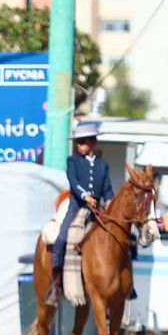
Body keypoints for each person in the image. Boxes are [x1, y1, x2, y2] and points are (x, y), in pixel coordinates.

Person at [49, 121, 112, 304]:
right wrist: (85, 196)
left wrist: (108, 200)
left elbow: (107, 187)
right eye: (78, 142)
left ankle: (124, 284)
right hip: (77, 207)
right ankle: (56, 283)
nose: (79, 145)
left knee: (116, 237)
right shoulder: (73, 161)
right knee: (61, 238)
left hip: (96, 211)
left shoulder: (103, 165)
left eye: (82, 141)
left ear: (92, 142)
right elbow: (73, 181)